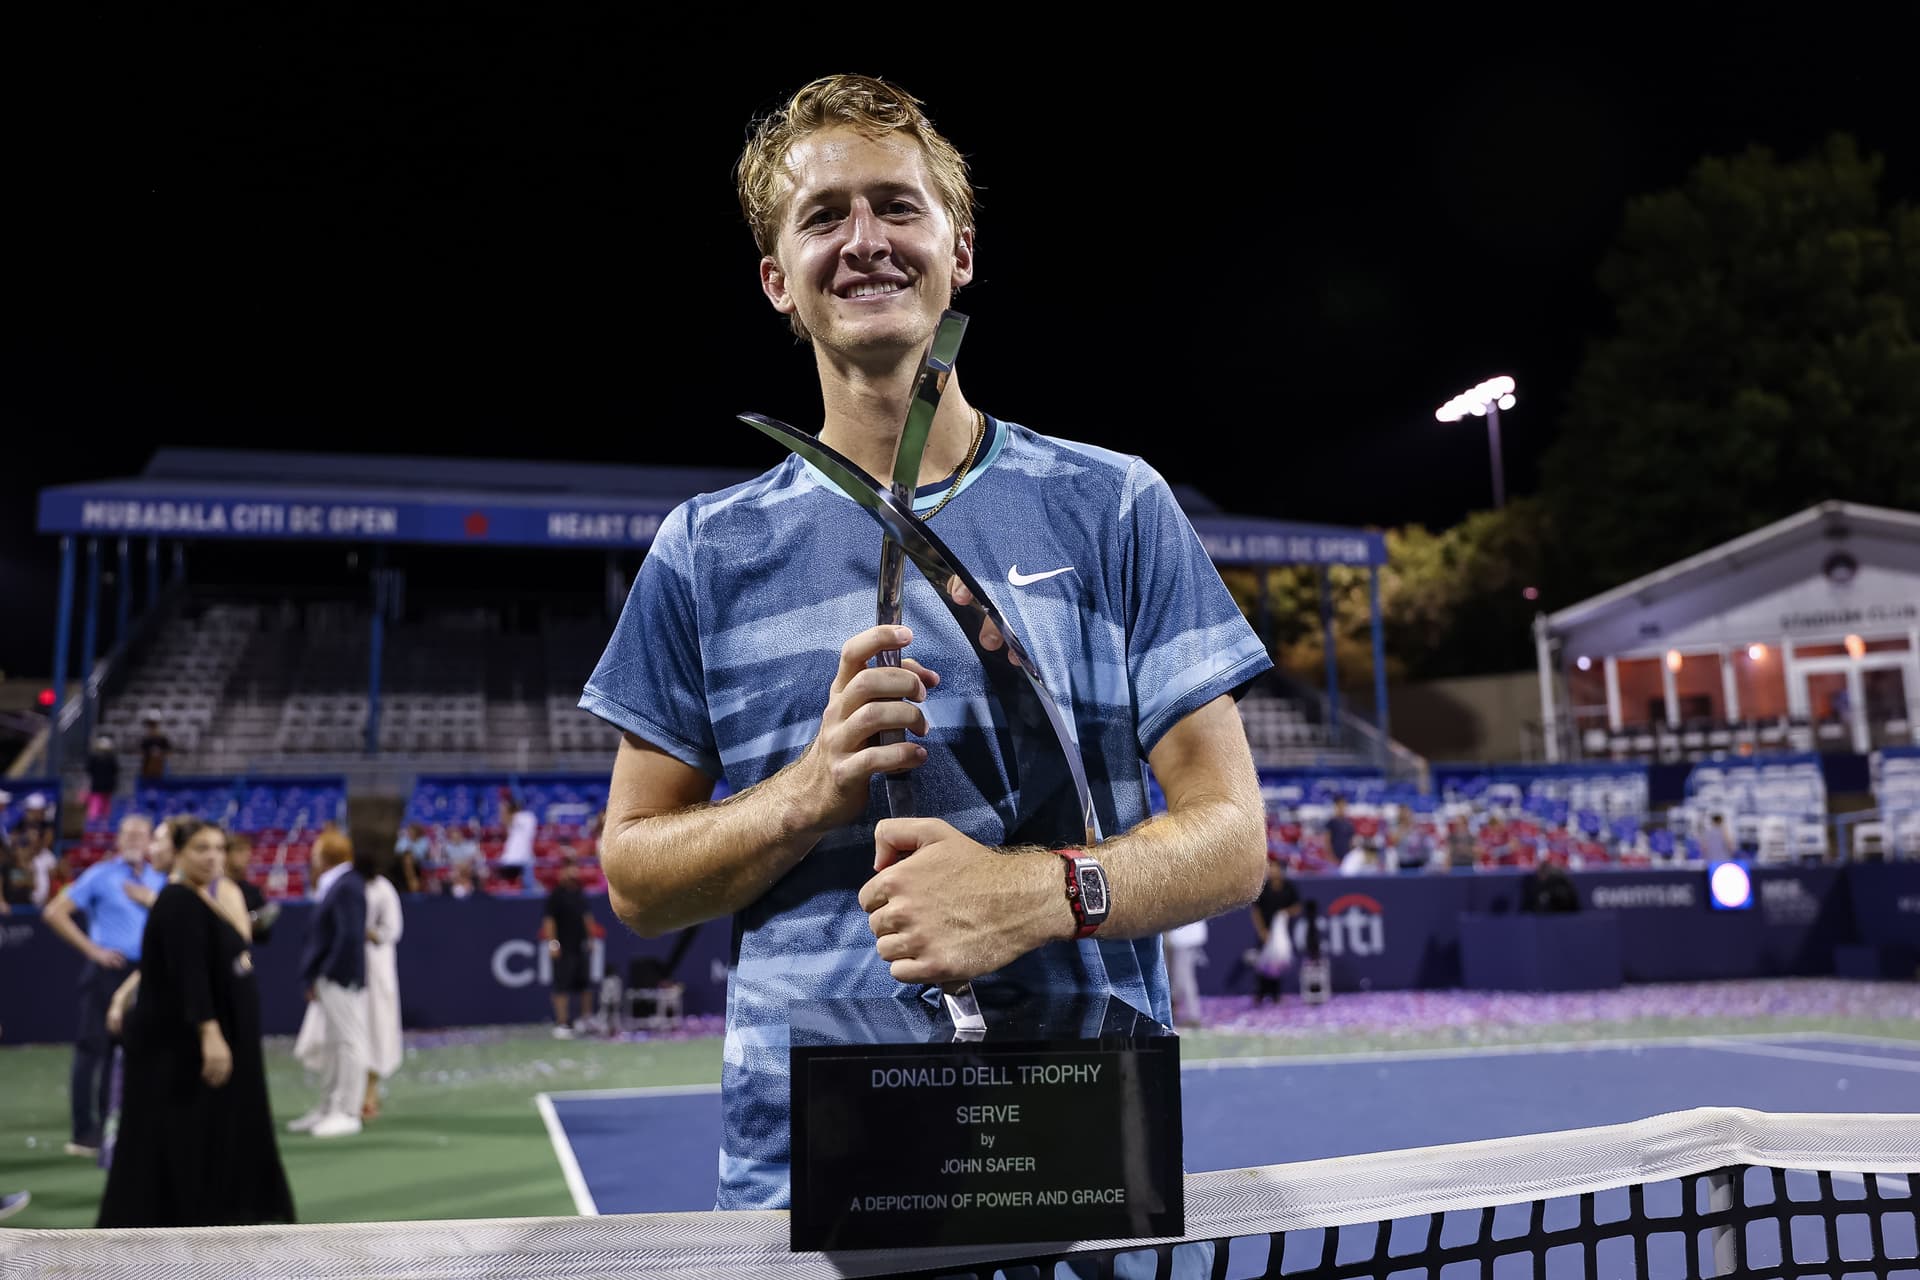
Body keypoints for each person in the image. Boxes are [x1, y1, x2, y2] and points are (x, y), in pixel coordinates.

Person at [581, 73, 1270, 1210]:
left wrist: (1038, 895)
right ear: (777, 280)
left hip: (1074, 1155)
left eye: (898, 206)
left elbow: (1234, 839)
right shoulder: (704, 549)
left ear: (960, 252)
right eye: (823, 215)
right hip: (811, 1182)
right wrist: (806, 793)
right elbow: (636, 880)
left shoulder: (1114, 505)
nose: (865, 240)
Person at [96, 819, 295, 1227]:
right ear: (179, 853)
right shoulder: (178, 902)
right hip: (185, 1046)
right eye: (201, 848)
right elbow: (189, 974)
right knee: (176, 1137)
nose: (213, 857)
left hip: (203, 1040)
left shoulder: (199, 897)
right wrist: (210, 1032)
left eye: (219, 848)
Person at [40, 814, 166, 1156]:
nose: (135, 840)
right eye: (129, 834)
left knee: (136, 1051)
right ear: (118, 839)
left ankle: (120, 1125)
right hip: (108, 971)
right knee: (93, 1049)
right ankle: (84, 1133)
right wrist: (93, 951)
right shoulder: (101, 874)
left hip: (146, 972)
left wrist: (150, 900)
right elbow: (54, 912)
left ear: (151, 841)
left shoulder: (157, 879)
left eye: (141, 835)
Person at [288, 830, 368, 1139]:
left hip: (339, 977)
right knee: (335, 1044)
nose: (312, 856)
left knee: (348, 1042)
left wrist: (331, 972)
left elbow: (349, 936)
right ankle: (328, 1107)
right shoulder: (337, 884)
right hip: (329, 976)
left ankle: (348, 1111)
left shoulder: (348, 885)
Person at [360, 847, 404, 1120]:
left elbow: (392, 930)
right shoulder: (348, 885)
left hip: (376, 969)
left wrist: (365, 932)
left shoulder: (384, 890)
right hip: (349, 970)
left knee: (376, 1028)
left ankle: (370, 1092)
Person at [541, 855, 595, 1038]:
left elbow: (587, 917)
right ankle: (562, 1023)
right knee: (561, 985)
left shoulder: (579, 893)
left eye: (574, 867)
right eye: (568, 868)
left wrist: (591, 939)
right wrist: (553, 943)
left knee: (584, 985)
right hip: (563, 947)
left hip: (580, 946)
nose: (572, 872)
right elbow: (549, 921)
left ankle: (585, 1019)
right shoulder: (555, 895)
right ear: (561, 871)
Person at [1249, 857, 1303, 1004]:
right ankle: (1260, 994)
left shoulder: (1289, 887)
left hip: (1282, 933)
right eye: (1270, 867)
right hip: (1266, 932)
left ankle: (1275, 994)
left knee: (1278, 964)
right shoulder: (1263, 888)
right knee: (1262, 964)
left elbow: (1297, 907)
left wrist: (1285, 913)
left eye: (1275, 867)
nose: (1272, 871)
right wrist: (1262, 931)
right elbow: (1256, 911)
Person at [497, 794, 536, 891]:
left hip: (523, 858)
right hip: (509, 859)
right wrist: (504, 809)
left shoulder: (527, 817)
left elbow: (507, 818)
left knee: (524, 885)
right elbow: (505, 821)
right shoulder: (512, 824)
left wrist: (504, 809)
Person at [86, 735, 120, 825]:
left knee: (98, 806)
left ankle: (95, 825)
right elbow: (115, 771)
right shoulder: (110, 759)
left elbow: (89, 770)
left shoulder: (96, 759)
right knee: (101, 806)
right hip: (104, 786)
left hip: (99, 786)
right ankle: (99, 825)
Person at [138, 713, 171, 781]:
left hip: (161, 764)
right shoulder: (146, 738)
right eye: (151, 725)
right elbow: (142, 751)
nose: (153, 727)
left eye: (154, 725)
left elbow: (168, 750)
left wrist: (160, 754)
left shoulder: (162, 738)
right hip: (148, 765)